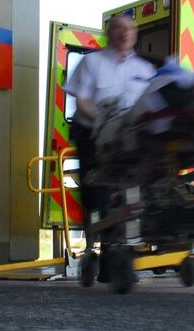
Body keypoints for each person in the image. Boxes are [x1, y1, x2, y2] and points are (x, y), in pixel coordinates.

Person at [64, 15, 156, 281]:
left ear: (135, 34)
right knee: (98, 194)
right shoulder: (92, 63)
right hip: (93, 135)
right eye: (118, 28)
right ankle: (97, 250)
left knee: (131, 194)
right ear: (109, 33)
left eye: (129, 29)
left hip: (129, 138)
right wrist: (105, 123)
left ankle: (120, 256)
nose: (124, 33)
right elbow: (82, 102)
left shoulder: (144, 70)